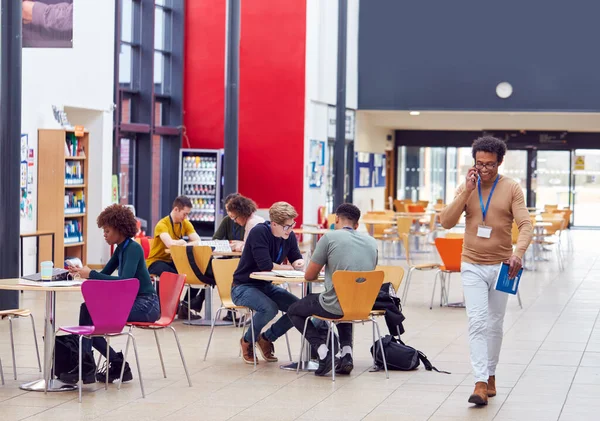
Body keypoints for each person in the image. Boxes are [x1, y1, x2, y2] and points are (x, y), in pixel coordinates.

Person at [440, 136, 532, 406]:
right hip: (472, 264)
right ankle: (480, 382)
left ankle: (491, 374)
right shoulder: (468, 186)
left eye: (490, 165)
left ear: (500, 162)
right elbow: (446, 222)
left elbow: (525, 225)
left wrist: (518, 254)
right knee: (477, 322)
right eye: (480, 164)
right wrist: (467, 191)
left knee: (494, 325)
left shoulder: (511, 188)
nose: (484, 169)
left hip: (503, 267)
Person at [66, 204, 160, 384]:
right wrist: (83, 271)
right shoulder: (121, 249)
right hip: (133, 301)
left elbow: (125, 282)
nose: (105, 234)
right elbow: (106, 274)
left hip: (146, 304)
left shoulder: (133, 248)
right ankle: (103, 363)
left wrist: (90, 274)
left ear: (119, 229)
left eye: (107, 230)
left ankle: (90, 365)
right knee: (87, 310)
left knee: (92, 317)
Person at [288, 203, 378, 376]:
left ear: (336, 219)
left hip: (334, 306)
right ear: (357, 225)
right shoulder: (372, 242)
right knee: (345, 302)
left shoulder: (329, 238)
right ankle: (346, 355)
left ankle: (323, 353)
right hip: (362, 305)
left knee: (294, 310)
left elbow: (309, 276)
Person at [231, 202, 304, 364]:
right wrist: (290, 268)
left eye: (293, 225)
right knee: (269, 308)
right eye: (287, 226)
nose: (290, 230)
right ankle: (247, 341)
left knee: (299, 309)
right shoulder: (259, 232)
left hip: (265, 286)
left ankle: (266, 338)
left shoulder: (288, 235)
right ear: (274, 224)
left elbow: (296, 257)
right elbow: (266, 266)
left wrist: (298, 262)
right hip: (243, 287)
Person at [145, 196, 205, 319]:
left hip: (174, 260)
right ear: (176, 209)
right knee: (172, 275)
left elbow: (198, 241)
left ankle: (185, 307)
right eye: (184, 214)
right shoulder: (162, 224)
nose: (186, 217)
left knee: (194, 272)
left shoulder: (185, 223)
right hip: (155, 262)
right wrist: (182, 242)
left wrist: (184, 244)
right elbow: (170, 244)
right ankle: (163, 309)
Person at [213, 192, 245, 322]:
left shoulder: (248, 222)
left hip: (243, 260)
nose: (229, 213)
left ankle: (232, 310)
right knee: (208, 267)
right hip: (229, 258)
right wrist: (229, 245)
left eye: (230, 209)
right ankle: (191, 303)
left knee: (229, 272)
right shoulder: (227, 220)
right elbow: (215, 239)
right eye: (227, 209)